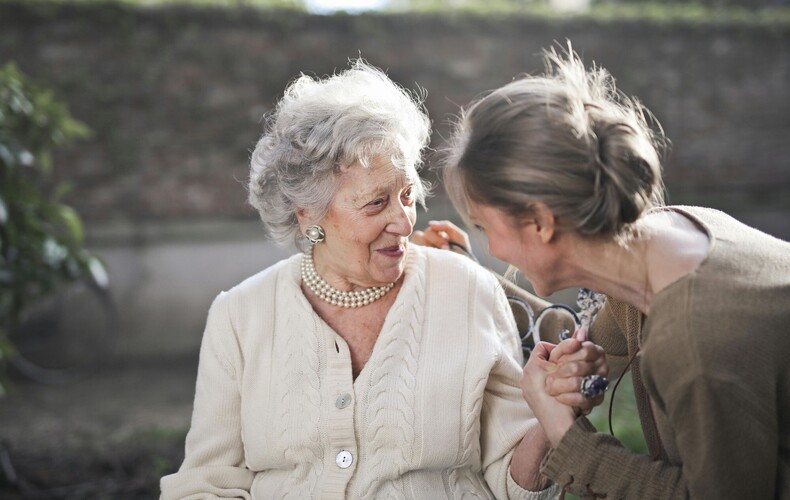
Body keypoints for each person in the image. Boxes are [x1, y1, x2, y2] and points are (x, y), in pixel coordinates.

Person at [159, 60, 599, 499]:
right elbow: (207, 483)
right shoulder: (240, 315)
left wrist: (551, 413)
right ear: (307, 213)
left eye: (407, 195)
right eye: (375, 204)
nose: (404, 223)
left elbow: (513, 483)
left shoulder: (467, 291)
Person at [432, 46, 790, 499]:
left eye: (484, 227)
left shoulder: (696, 341)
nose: (493, 247)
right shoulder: (667, 236)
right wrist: (578, 368)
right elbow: (592, 345)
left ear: (540, 222)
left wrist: (567, 436)